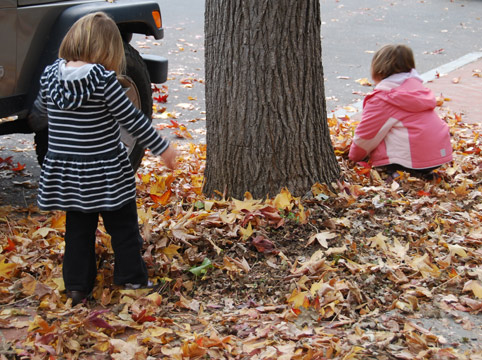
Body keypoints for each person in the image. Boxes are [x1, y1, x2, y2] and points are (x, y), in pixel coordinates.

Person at [32, 12, 178, 305]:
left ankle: (76, 288)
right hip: (107, 173)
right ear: (107, 49)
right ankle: (132, 279)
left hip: (70, 176)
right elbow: (133, 120)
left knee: (77, 232)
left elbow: (38, 113)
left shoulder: (50, 75)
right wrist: (162, 147)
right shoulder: (102, 80)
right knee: (123, 229)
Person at [349, 44, 453, 178]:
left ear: (378, 69)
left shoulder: (384, 99)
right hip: (439, 155)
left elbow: (366, 135)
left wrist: (354, 156)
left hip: (410, 160)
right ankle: (421, 171)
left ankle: (397, 172)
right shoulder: (417, 89)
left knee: (381, 133)